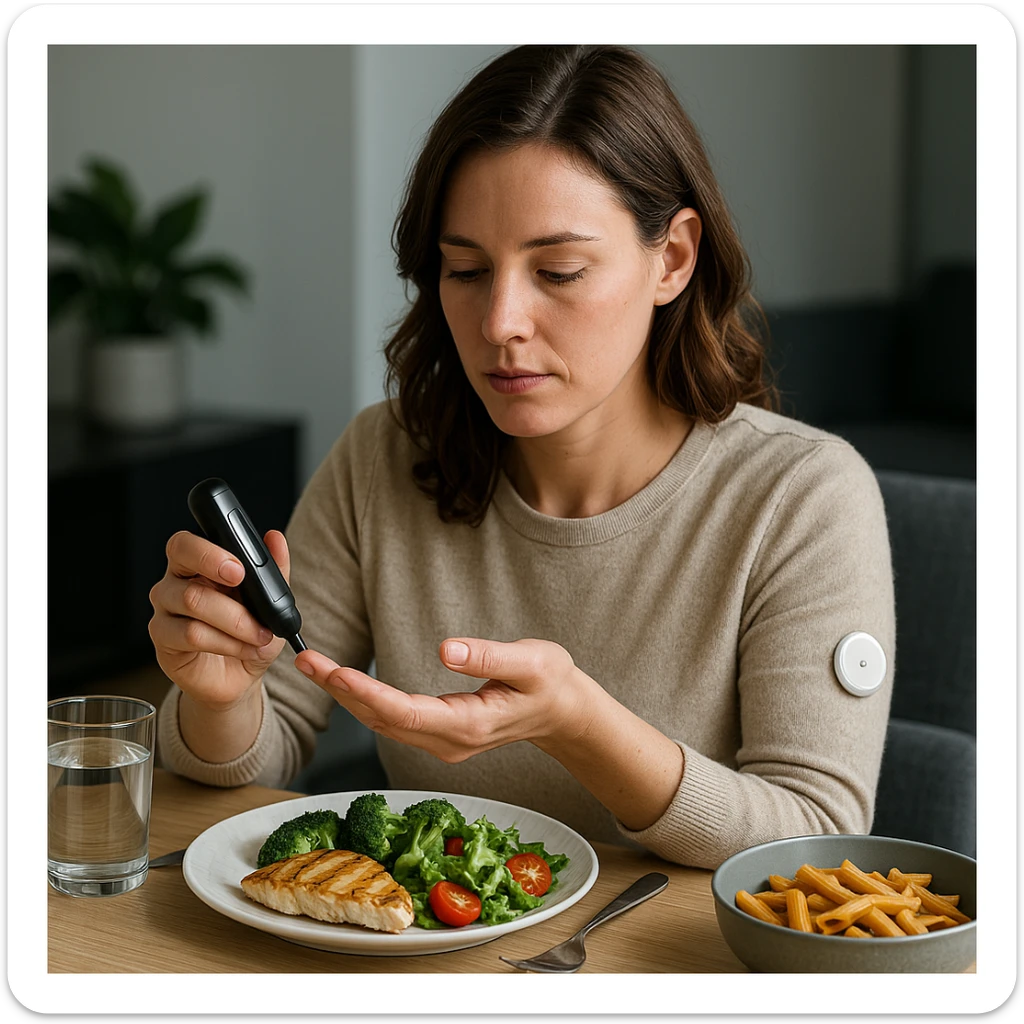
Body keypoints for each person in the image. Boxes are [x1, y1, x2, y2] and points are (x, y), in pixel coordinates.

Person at [148, 44, 895, 870]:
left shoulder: (803, 498)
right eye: (466, 269)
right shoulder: (382, 455)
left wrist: (579, 724)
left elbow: (820, 839)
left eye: (559, 271)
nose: (500, 320)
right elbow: (264, 742)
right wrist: (220, 694)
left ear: (673, 259)